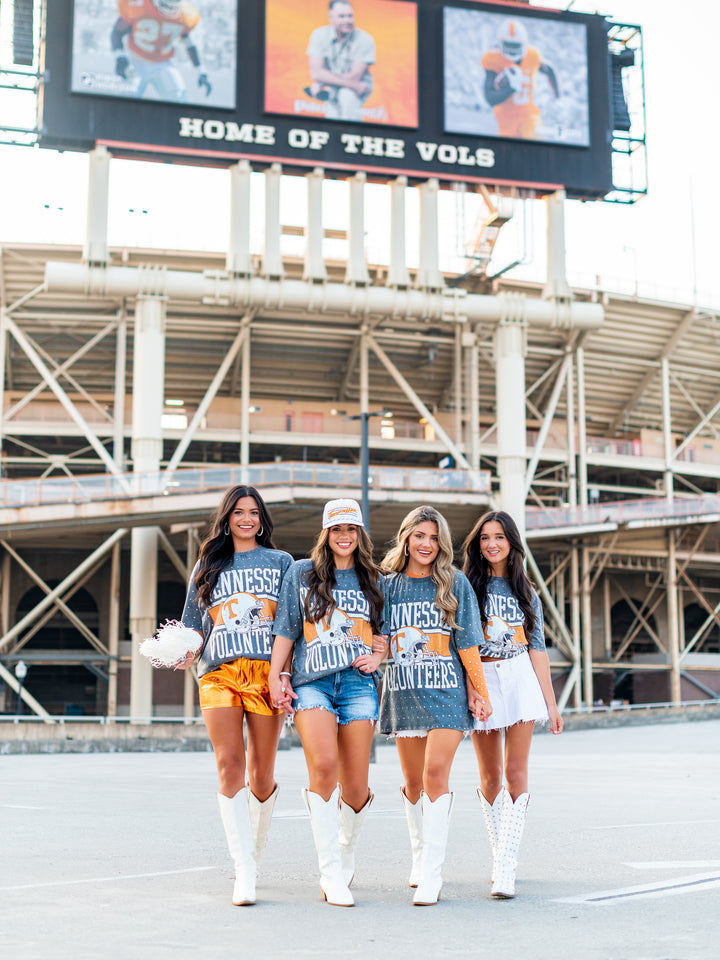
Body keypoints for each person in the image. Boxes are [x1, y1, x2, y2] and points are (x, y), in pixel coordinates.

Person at [179, 485, 292, 906]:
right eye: (238, 512)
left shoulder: (282, 563)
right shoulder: (207, 564)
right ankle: (243, 868)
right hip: (218, 673)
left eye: (254, 512)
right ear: (226, 518)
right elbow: (194, 623)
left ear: (262, 519)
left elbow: (290, 622)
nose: (246, 519)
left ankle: (254, 852)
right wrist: (181, 650)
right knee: (229, 764)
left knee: (261, 774)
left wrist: (285, 674)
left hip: (266, 672)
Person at [269, 498, 386, 907]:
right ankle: (329, 871)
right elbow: (285, 627)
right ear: (326, 533)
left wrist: (379, 655)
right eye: (337, 529)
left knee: (356, 788)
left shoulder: (373, 578)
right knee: (323, 767)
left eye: (351, 529)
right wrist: (274, 674)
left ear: (360, 534)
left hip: (357, 685)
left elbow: (384, 631)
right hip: (312, 684)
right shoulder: (302, 573)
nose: (344, 536)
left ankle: (346, 849)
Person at [379, 505, 492, 906]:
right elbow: (376, 638)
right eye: (419, 536)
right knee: (412, 783)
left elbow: (468, 643)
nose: (426, 544)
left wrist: (478, 691)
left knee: (434, 774)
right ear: (406, 537)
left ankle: (433, 872)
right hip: (403, 691)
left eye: (433, 538)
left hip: (447, 692)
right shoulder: (386, 585)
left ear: (441, 543)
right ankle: (419, 854)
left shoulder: (454, 582)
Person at [463, 510, 563, 899]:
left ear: (511, 543)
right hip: (483, 680)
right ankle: (497, 852)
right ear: (478, 543)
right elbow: (463, 644)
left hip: (519, 678)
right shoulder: (467, 586)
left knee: (516, 772)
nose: (492, 544)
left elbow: (537, 650)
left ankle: (506, 865)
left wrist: (551, 705)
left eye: (500, 537)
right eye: (485, 537)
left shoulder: (527, 592)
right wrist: (472, 687)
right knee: (490, 777)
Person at [111, 0, 212, 103]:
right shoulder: (138, 5)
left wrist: (201, 70)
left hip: (162, 64)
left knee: (179, 98)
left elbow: (188, 42)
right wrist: (120, 57)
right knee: (127, 98)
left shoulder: (186, 14)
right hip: (136, 60)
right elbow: (117, 32)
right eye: (166, 4)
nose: (170, 8)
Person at [481, 17, 559, 139]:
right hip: (506, 122)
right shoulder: (493, 60)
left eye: (515, 45)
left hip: (529, 116)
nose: (512, 51)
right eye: (508, 45)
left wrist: (558, 97)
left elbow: (550, 70)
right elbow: (490, 98)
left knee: (534, 140)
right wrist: (511, 88)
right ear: (500, 43)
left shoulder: (532, 55)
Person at [305, 1, 375, 121]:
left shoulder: (365, 39)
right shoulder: (318, 35)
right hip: (344, 86)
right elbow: (316, 73)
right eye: (342, 16)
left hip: (357, 89)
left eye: (350, 16)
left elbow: (355, 77)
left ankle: (353, 136)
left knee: (346, 96)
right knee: (332, 114)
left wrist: (322, 82)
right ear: (330, 17)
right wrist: (322, 82)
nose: (347, 21)